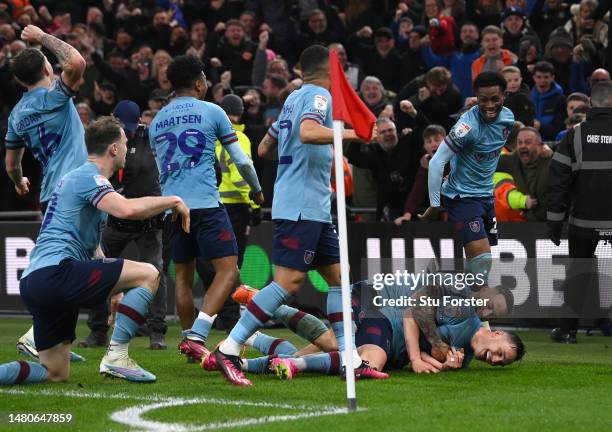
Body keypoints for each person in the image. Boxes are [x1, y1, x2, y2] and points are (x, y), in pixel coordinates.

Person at [213, 44, 384, 386]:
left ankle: (350, 358)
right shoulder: (319, 97)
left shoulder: (292, 98)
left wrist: (294, 163)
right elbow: (307, 132)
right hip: (302, 205)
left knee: (338, 277)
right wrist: (354, 134)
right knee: (288, 282)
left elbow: (264, 147)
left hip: (311, 205)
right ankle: (230, 347)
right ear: (328, 70)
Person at [0, 116, 190, 385]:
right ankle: (117, 357)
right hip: (56, 274)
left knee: (55, 373)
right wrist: (174, 200)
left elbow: (94, 251)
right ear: (113, 148)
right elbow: (128, 209)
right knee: (149, 273)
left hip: (36, 281)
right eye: (124, 143)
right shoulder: (89, 177)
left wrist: (117, 287)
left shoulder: (76, 179)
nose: (127, 148)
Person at [149, 55, 264, 362]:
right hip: (206, 205)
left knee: (184, 279)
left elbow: (162, 170)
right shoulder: (213, 111)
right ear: (199, 83)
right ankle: (199, 334)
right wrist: (256, 189)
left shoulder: (157, 121)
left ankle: (190, 346)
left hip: (172, 208)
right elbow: (241, 160)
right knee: (229, 271)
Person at [4, 25, 88, 363]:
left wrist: (18, 180)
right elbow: (77, 61)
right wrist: (43, 39)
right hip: (73, 188)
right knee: (83, 267)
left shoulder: (16, 115)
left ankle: (51, 339)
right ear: (47, 69)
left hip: (50, 191)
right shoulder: (55, 95)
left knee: (79, 263)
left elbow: (11, 162)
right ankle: (36, 336)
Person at [78, 100, 169, 350]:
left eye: (131, 127)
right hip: (115, 220)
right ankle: (98, 331)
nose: (127, 132)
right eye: (123, 127)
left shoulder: (152, 138)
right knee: (97, 269)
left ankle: (157, 332)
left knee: (156, 271)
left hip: (147, 221)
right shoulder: (105, 140)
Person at [422, 72, 515, 289]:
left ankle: (455, 301)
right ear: (476, 97)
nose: (489, 105)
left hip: (486, 197)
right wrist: (436, 204)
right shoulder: (466, 127)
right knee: (482, 260)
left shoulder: (509, 118)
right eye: (483, 100)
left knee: (476, 263)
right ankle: (483, 321)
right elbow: (436, 163)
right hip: (461, 197)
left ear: (505, 95)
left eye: (495, 99)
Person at [547, 81, 612, 343]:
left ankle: (567, 331)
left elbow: (558, 183)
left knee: (577, 275)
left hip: (584, 221)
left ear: (590, 102)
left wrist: (554, 224)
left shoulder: (574, 135)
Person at [213, 94, 262, 330]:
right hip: (235, 209)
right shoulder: (239, 137)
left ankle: (221, 312)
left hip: (213, 206)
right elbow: (241, 175)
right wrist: (254, 205)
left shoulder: (211, 137)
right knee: (233, 263)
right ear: (240, 113)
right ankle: (230, 315)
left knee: (216, 263)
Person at [496, 127, 550, 221]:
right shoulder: (513, 160)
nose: (523, 146)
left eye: (528, 142)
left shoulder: (552, 160)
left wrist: (551, 146)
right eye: (519, 142)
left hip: (556, 223)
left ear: (540, 145)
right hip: (528, 222)